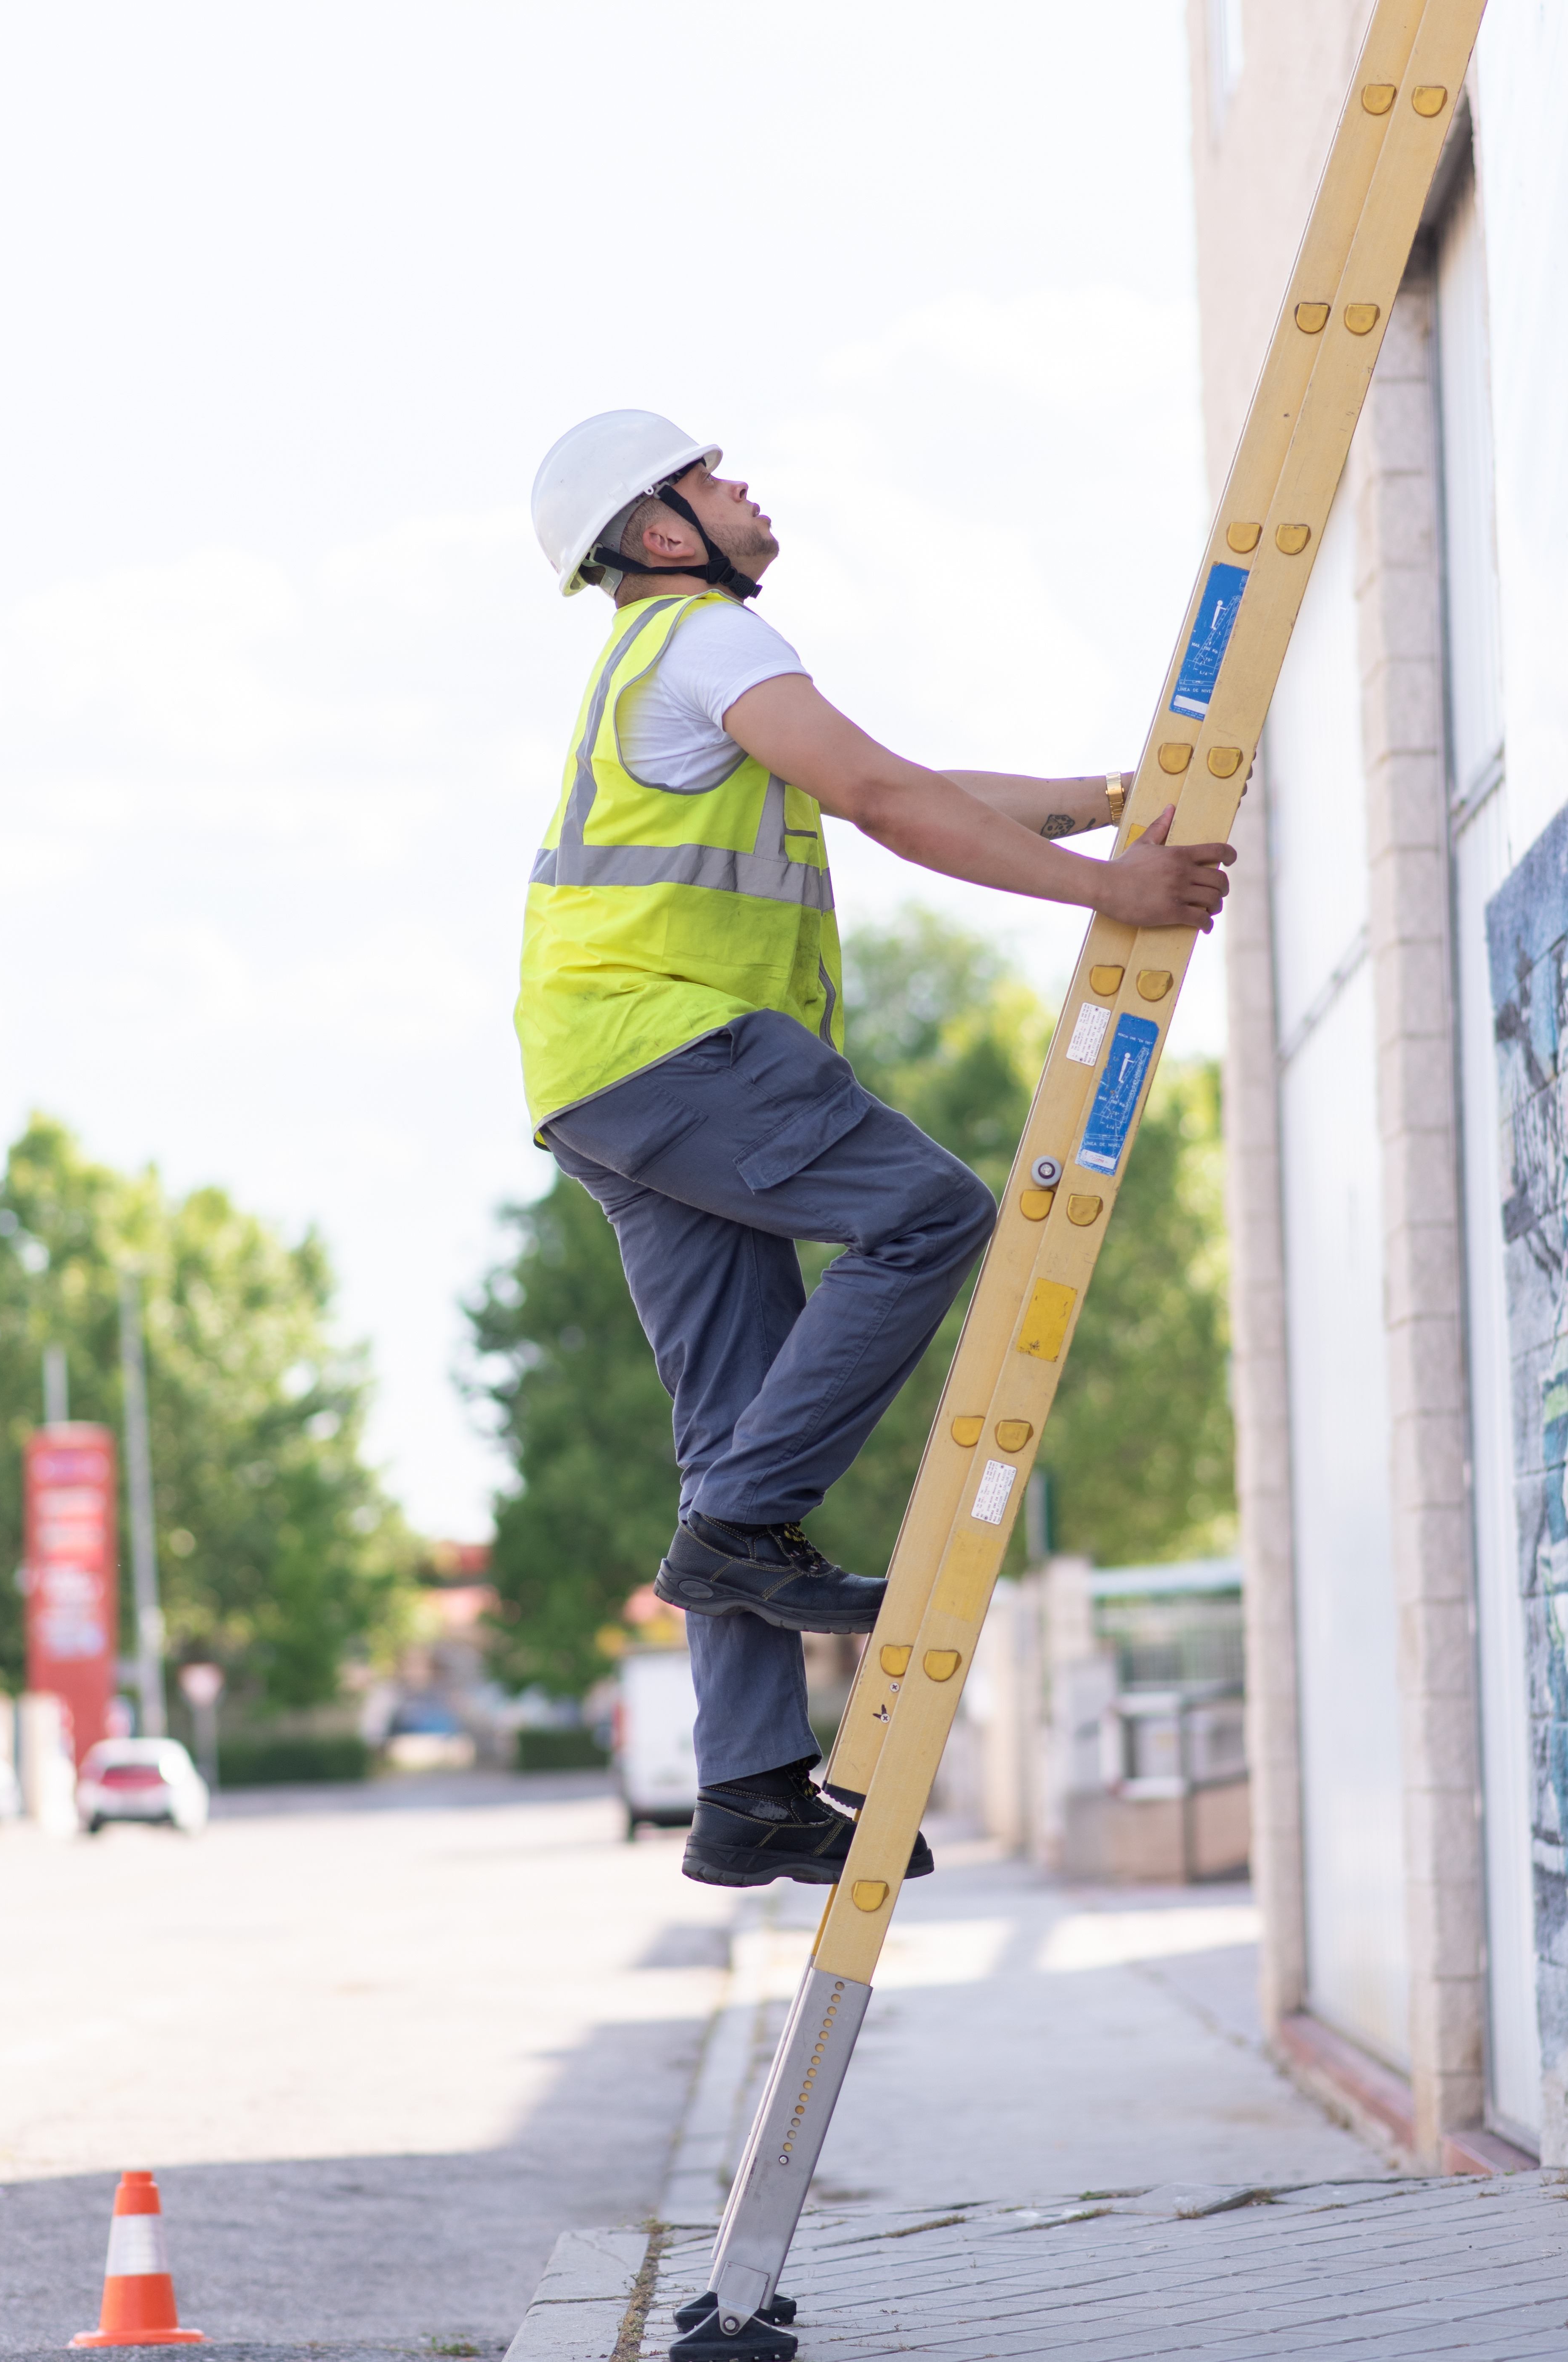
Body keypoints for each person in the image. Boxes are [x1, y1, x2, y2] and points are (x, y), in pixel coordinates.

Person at [519, 410, 1233, 1890]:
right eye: (710, 476)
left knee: (729, 1428)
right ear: (662, 533)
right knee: (925, 1214)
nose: (743, 487)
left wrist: (1096, 802)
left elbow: (899, 777)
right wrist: (1116, 888)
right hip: (677, 1047)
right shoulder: (709, 642)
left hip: (602, 1078)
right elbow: (886, 803)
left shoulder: (663, 668)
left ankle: (750, 1788)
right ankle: (737, 1536)